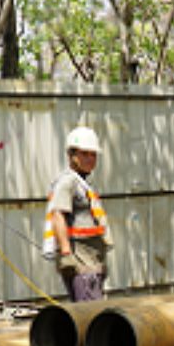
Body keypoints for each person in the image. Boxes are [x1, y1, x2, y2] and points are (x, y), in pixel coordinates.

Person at [43, 126, 112, 301]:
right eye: (85, 154)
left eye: (93, 154)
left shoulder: (83, 184)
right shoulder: (68, 183)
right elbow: (58, 216)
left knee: (89, 314)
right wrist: (66, 253)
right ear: (72, 155)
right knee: (90, 317)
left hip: (91, 262)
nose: (90, 159)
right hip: (80, 265)